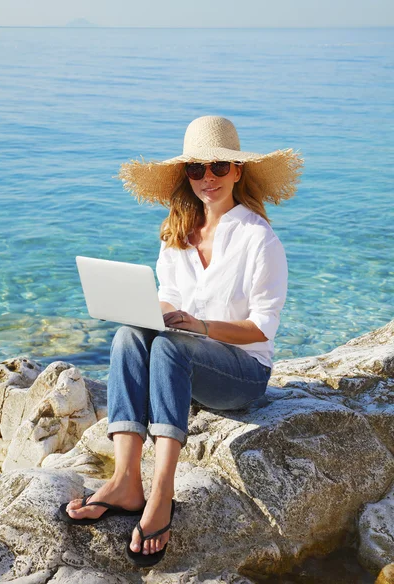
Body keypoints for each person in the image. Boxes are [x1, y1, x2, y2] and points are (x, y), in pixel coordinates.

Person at [58, 116, 303, 568]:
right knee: (131, 335)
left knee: (171, 347)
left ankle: (163, 492)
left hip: (243, 374)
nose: (207, 178)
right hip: (188, 362)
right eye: (196, 169)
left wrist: (201, 326)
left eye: (217, 167)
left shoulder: (258, 239)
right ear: (186, 176)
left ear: (237, 172)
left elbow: (262, 328)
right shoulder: (177, 236)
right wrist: (149, 313)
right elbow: (167, 299)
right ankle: (128, 479)